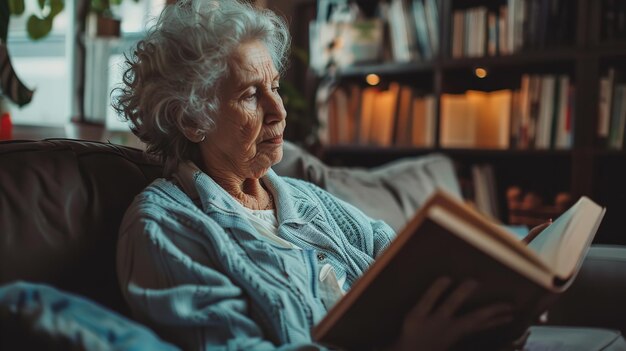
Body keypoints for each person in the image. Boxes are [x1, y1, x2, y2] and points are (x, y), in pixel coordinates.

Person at [113, 1, 515, 350]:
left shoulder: (309, 200)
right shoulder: (165, 227)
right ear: (191, 119)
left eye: (275, 87)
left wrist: (495, 267)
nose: (279, 111)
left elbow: (403, 259)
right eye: (251, 95)